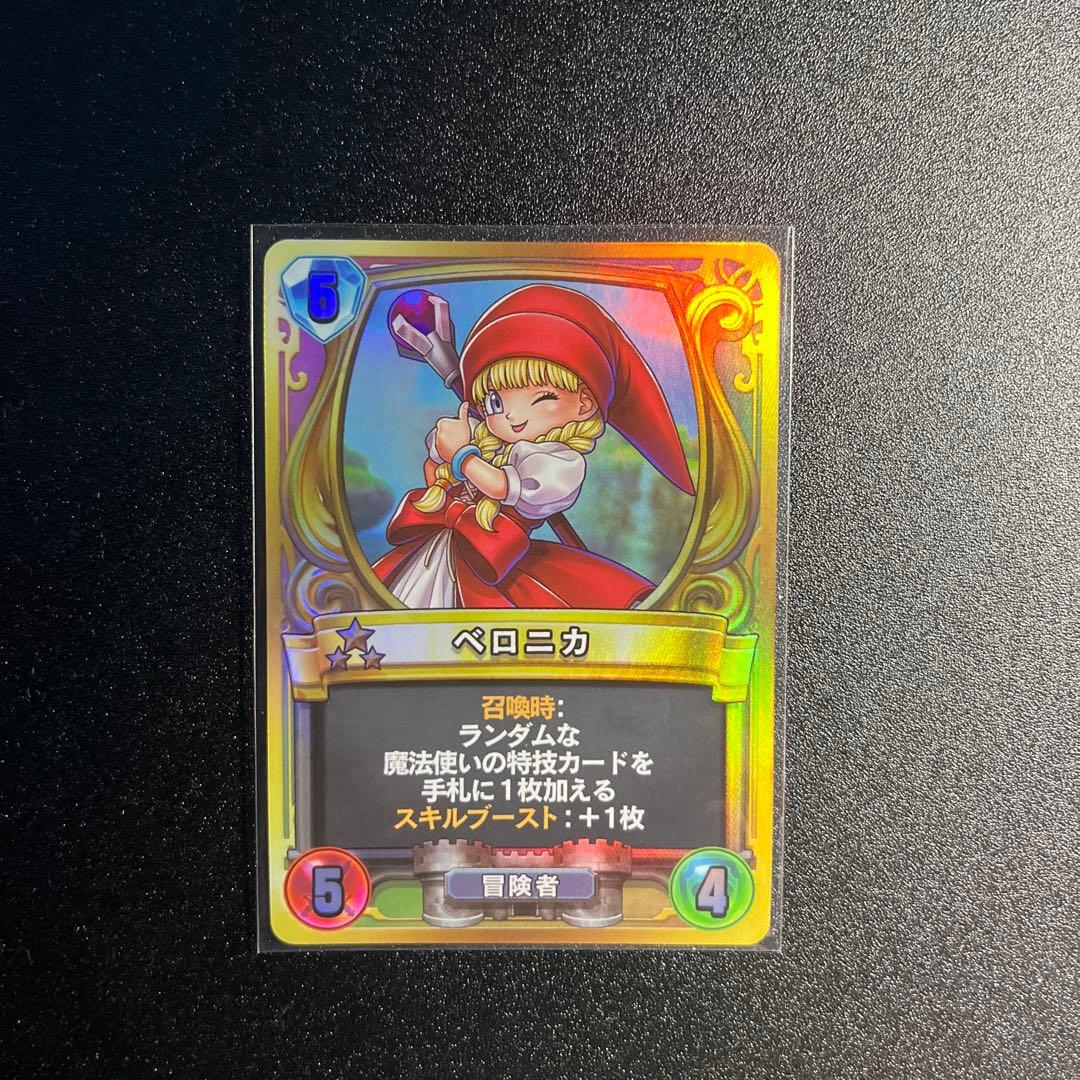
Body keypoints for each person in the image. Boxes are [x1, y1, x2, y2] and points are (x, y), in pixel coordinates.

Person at [373, 284, 694, 608]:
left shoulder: (559, 463)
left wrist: (461, 455)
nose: (512, 415)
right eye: (496, 402)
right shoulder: (486, 442)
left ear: (584, 404)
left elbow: (501, 487)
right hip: (438, 554)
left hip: (493, 565)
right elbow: (437, 483)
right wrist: (441, 459)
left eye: (540, 398)